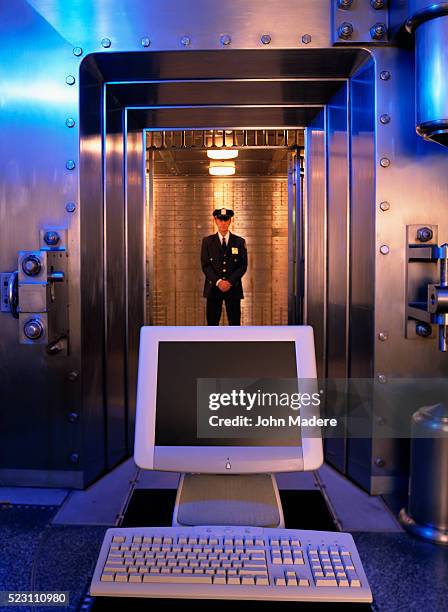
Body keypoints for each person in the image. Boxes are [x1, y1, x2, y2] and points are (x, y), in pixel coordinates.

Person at [201, 208, 248, 326]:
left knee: (234, 324)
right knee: (212, 324)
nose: (223, 223)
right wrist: (218, 282)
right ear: (215, 221)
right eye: (220, 220)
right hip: (213, 289)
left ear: (230, 221)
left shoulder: (239, 242)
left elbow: (242, 265)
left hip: (233, 289)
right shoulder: (207, 241)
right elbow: (205, 265)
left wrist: (229, 282)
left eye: (226, 220)